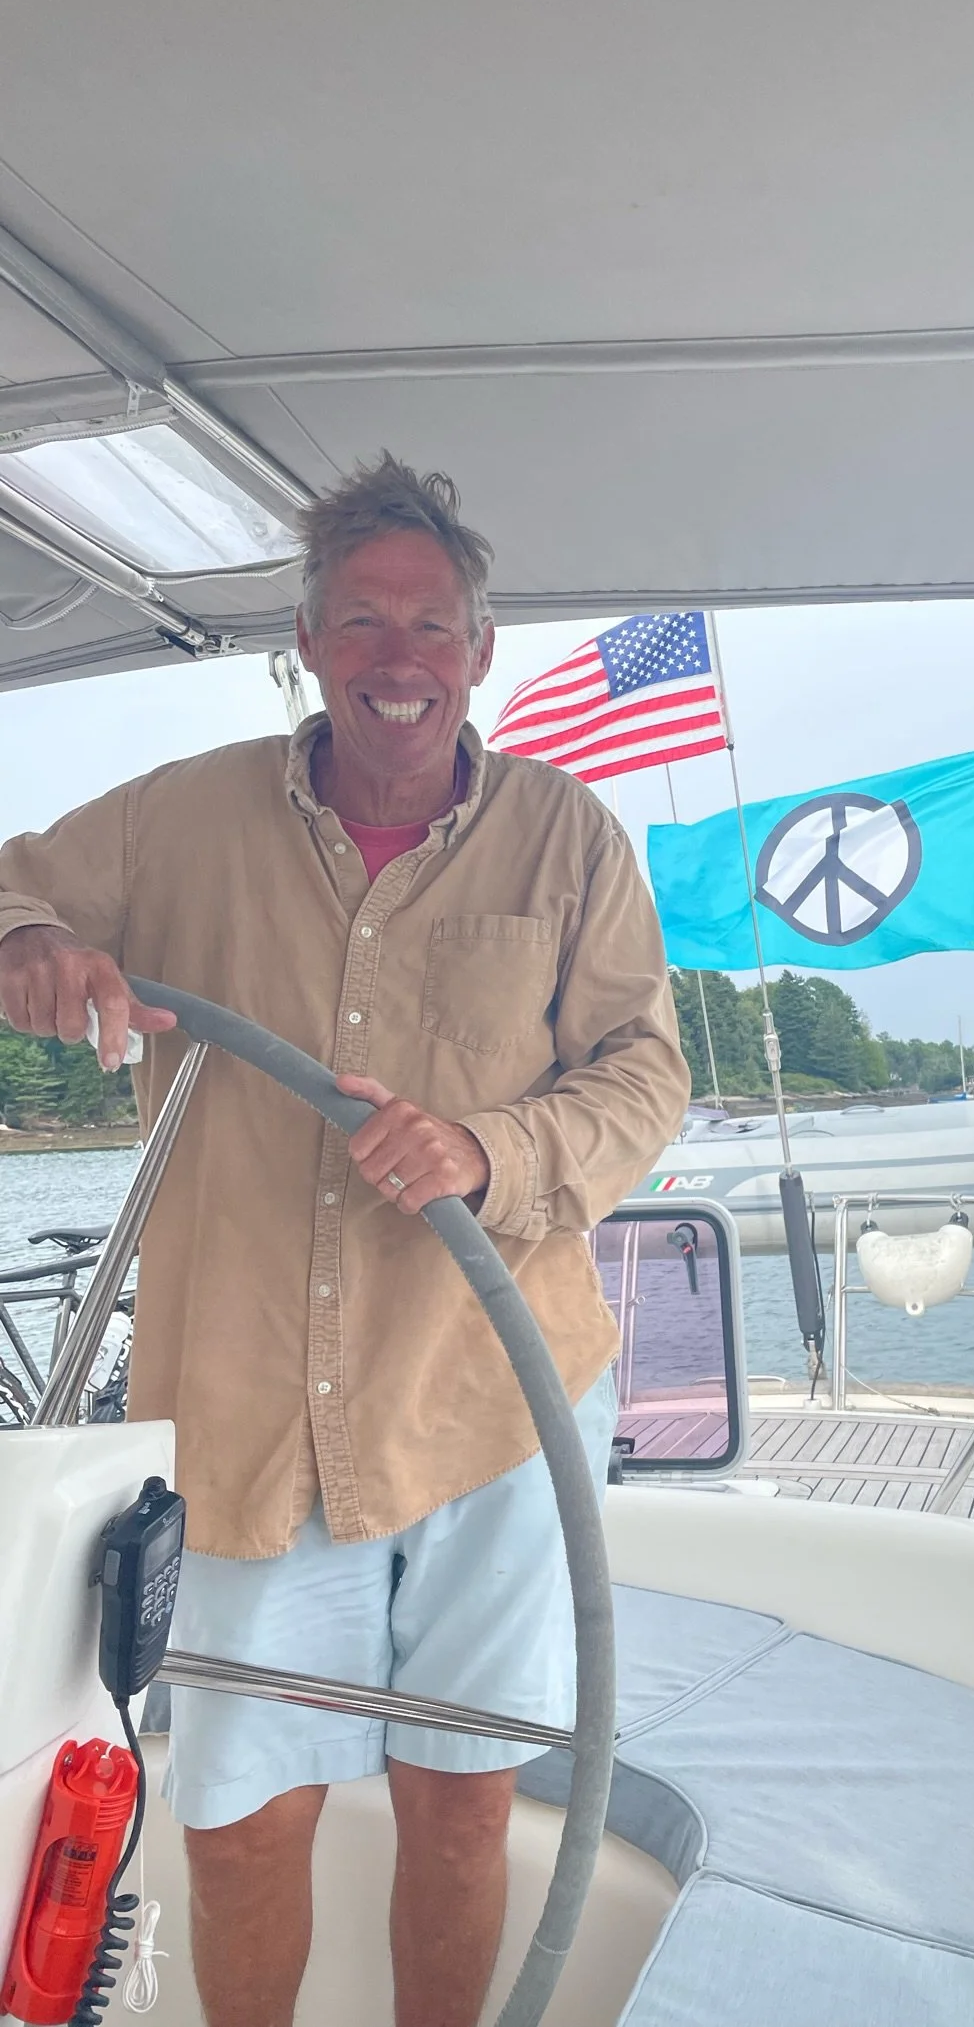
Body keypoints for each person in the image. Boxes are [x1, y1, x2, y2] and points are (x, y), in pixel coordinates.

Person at [0, 455, 692, 2027]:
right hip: (248, 1410)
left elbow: (645, 1076)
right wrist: (34, 946)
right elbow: (10, 893)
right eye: (365, 621)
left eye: (432, 626)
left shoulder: (570, 840)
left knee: (462, 1808)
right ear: (307, 641)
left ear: (479, 651)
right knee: (240, 1820)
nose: (400, 659)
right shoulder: (174, 820)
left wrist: (493, 1148)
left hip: (491, 1405)